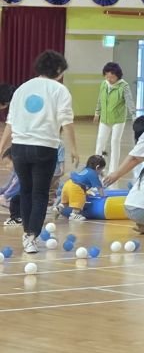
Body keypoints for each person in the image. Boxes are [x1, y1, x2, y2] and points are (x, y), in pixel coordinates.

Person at [0, 50, 77, 254]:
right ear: (58, 69)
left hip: (19, 148)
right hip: (45, 148)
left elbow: (10, 123)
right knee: (40, 194)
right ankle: (32, 237)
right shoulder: (60, 90)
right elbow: (66, 121)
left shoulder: (22, 88)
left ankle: (27, 233)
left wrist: (1, 147)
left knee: (26, 191)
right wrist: (74, 148)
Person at [92, 62, 134, 176]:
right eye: (107, 76)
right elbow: (100, 99)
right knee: (100, 141)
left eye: (112, 77)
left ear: (117, 76)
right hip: (104, 119)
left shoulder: (123, 86)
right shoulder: (104, 84)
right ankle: (97, 167)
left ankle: (113, 170)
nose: (109, 79)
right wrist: (97, 112)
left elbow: (129, 102)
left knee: (115, 142)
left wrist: (134, 116)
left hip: (118, 120)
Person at [59, 154, 106, 221]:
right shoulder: (93, 174)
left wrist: (86, 192)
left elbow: (82, 181)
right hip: (76, 187)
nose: (101, 172)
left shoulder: (85, 169)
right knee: (80, 199)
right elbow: (100, 188)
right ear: (97, 167)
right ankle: (74, 214)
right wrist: (104, 197)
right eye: (101, 170)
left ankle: (58, 208)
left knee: (66, 202)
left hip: (68, 184)